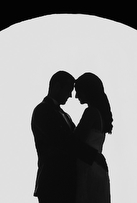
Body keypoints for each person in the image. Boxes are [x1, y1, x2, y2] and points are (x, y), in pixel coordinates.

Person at [32, 71, 107, 203]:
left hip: (69, 184)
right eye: (68, 90)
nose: (71, 95)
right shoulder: (42, 110)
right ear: (56, 86)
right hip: (53, 183)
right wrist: (93, 156)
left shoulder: (65, 115)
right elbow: (64, 142)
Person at [73, 72, 113, 203]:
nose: (76, 96)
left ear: (87, 91)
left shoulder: (91, 113)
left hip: (88, 167)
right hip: (97, 168)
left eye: (78, 91)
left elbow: (75, 140)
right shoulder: (100, 115)